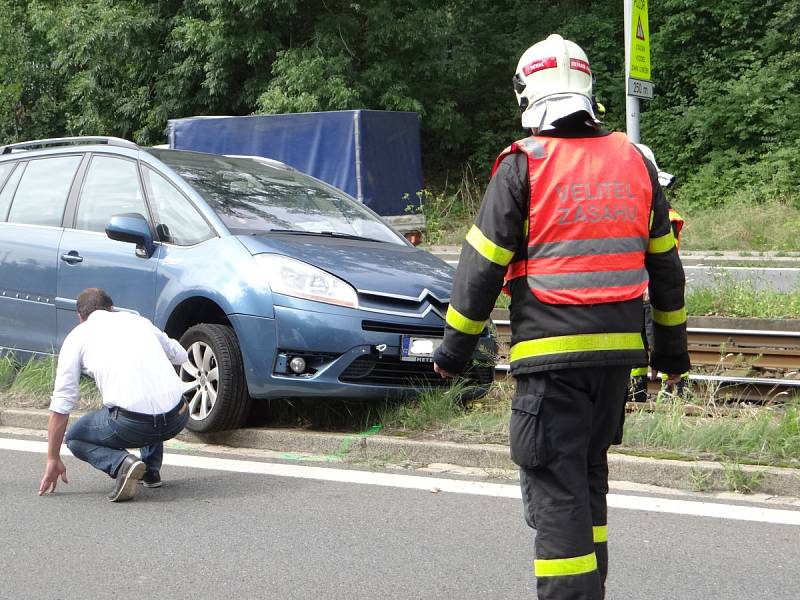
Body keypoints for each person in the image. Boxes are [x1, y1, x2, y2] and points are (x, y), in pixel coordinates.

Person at [433, 34, 690, 599]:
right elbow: (666, 274)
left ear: (527, 94)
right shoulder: (634, 162)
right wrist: (671, 357)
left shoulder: (522, 166)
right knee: (587, 479)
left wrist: (453, 353)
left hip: (551, 366)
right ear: (587, 90)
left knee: (556, 490)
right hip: (615, 366)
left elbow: (479, 274)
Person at [38, 288, 190, 502]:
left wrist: (52, 457)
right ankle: (150, 471)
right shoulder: (138, 321)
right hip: (179, 416)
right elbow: (180, 355)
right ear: (111, 308)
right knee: (145, 394)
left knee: (75, 436)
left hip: (133, 425)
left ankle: (121, 464)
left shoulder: (78, 337)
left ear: (80, 317)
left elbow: (61, 405)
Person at [629, 143, 687, 401]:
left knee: (657, 338)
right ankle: (638, 391)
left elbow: (664, 263)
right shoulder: (637, 214)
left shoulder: (667, 217)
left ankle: (674, 390)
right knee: (638, 343)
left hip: (651, 292)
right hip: (638, 290)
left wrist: (649, 289)